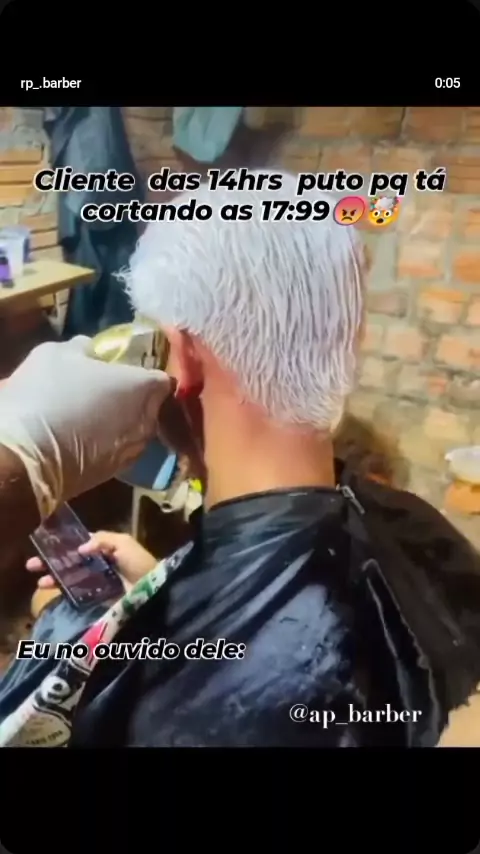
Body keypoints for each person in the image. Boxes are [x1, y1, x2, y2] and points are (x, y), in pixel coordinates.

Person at [1, 171, 480, 748]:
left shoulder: (166, 708)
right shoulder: (426, 535)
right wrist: (157, 592)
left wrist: (64, 637)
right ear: (351, 336)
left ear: (182, 356)